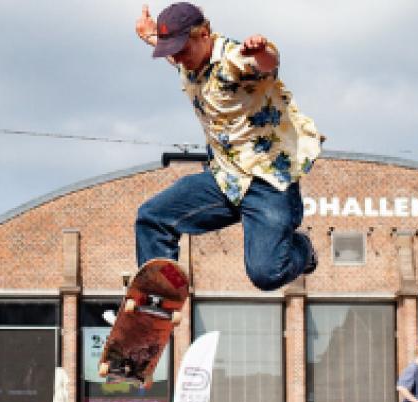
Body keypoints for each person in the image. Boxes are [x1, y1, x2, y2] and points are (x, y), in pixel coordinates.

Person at [132, 3, 322, 292]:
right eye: (174, 52)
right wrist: (150, 36)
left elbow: (267, 64)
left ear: (204, 34)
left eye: (183, 50)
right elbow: (176, 56)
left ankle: (303, 250)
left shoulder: (235, 61)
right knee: (152, 217)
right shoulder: (189, 60)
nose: (179, 59)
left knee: (266, 273)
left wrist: (261, 50)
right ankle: (156, 297)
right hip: (224, 179)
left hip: (267, 182)